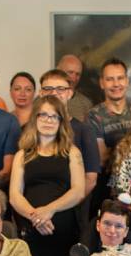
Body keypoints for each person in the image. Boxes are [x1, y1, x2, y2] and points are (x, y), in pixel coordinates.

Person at [9, 96, 86, 256]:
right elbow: (14, 195)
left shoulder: (72, 152)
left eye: (55, 116)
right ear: (35, 118)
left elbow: (78, 191)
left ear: (62, 121)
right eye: (43, 115)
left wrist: (48, 211)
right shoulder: (23, 154)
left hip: (63, 233)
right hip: (32, 231)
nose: (48, 120)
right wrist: (36, 217)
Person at [38, 71, 101, 202]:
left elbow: (90, 179)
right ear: (41, 93)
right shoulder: (29, 130)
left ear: (70, 93)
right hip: (34, 208)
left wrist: (61, 207)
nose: (54, 93)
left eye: (60, 89)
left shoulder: (84, 130)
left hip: (71, 209)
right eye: (48, 89)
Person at [88, 58, 131, 162]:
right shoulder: (93, 116)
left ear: (127, 81)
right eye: (109, 79)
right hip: (109, 172)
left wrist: (112, 150)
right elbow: (102, 159)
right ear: (101, 83)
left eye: (120, 78)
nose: (116, 84)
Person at [56, 54, 95, 122]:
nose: (74, 79)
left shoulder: (86, 104)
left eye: (77, 74)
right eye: (70, 72)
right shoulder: (44, 99)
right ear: (58, 71)